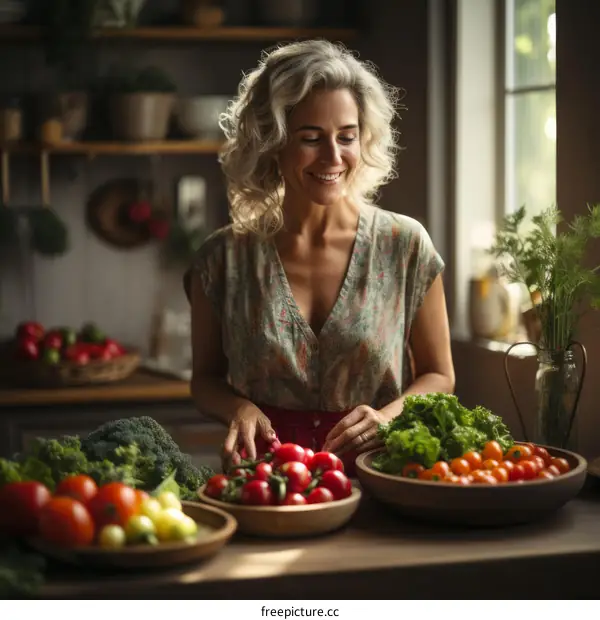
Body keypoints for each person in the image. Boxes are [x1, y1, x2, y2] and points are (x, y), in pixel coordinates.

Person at [184, 40, 455, 474]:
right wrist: (239, 408)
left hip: (384, 473)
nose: (333, 157)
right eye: (311, 138)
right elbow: (204, 381)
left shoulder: (405, 244)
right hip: (265, 482)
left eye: (346, 137)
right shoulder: (222, 259)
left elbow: (440, 376)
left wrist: (387, 418)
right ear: (272, 142)